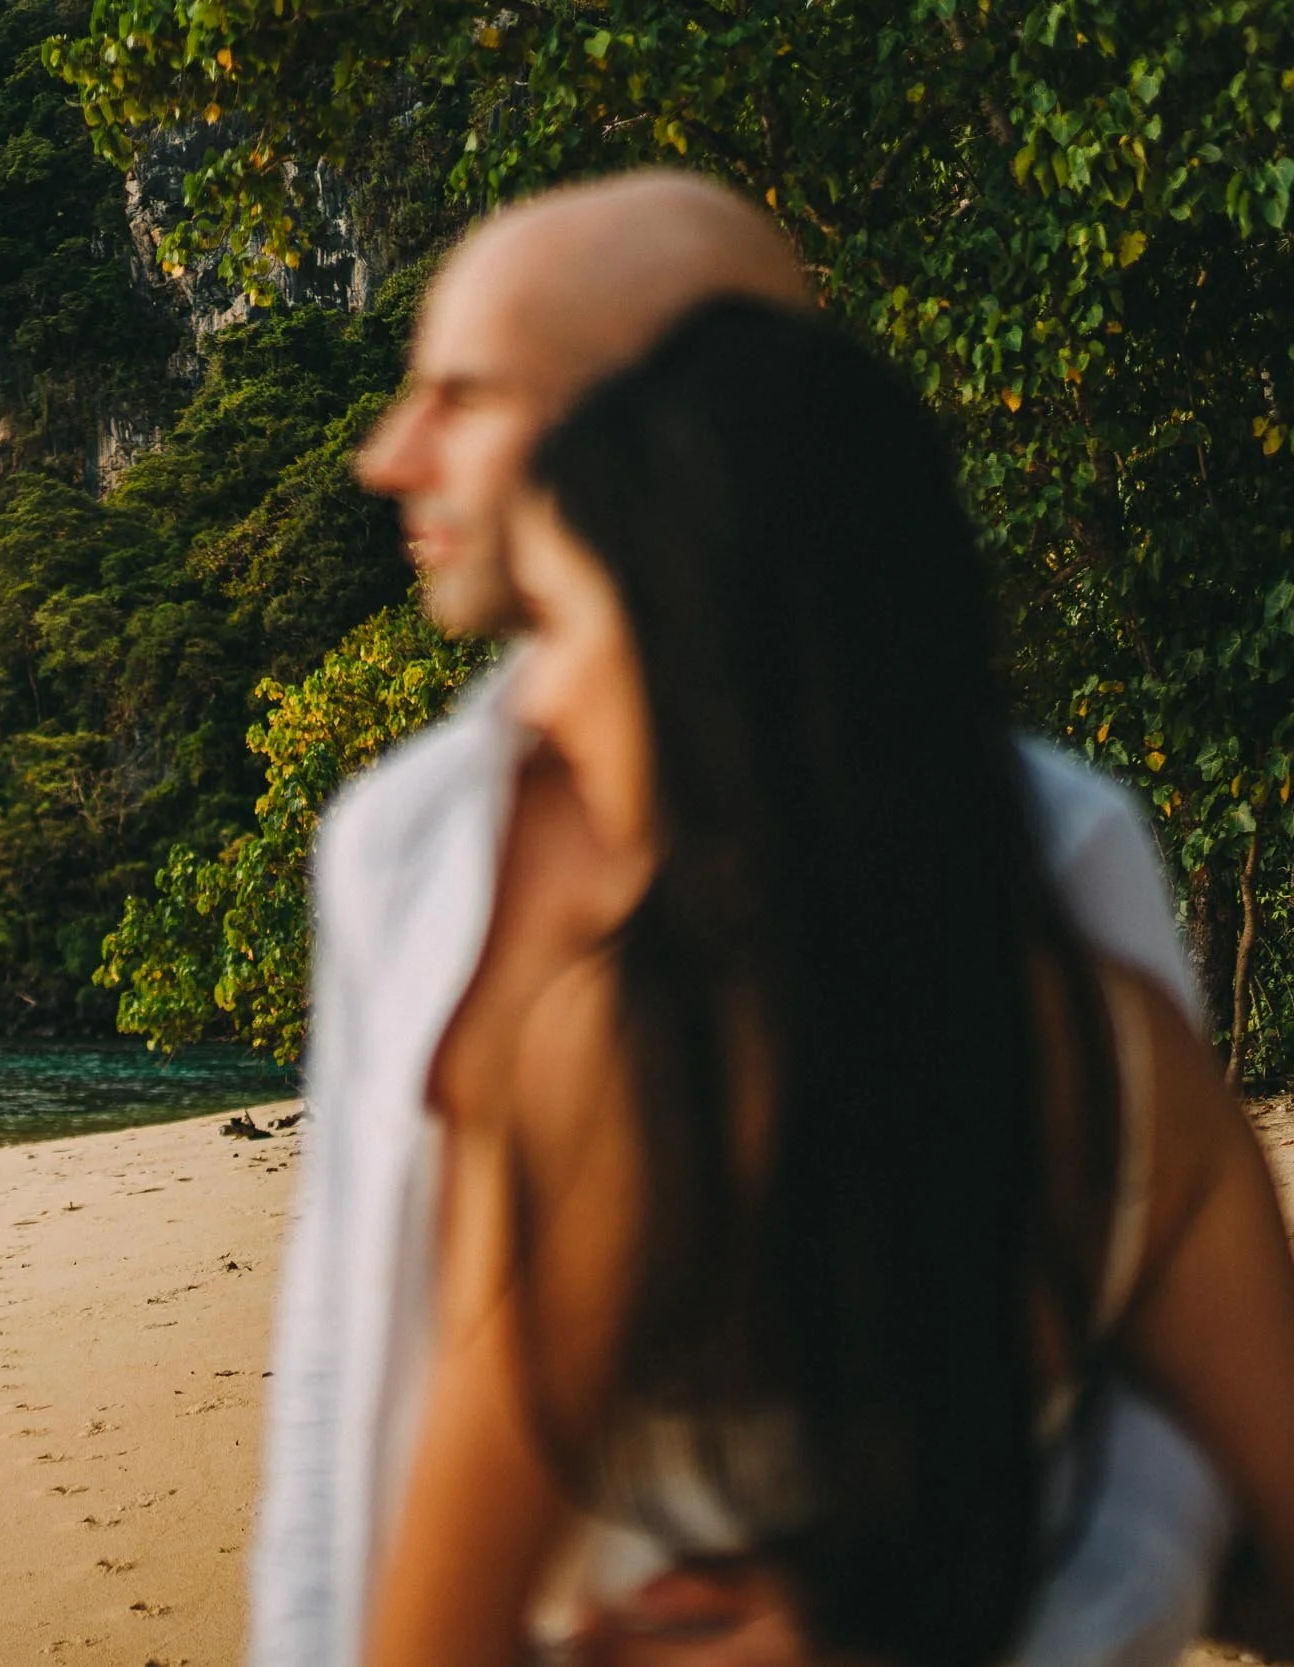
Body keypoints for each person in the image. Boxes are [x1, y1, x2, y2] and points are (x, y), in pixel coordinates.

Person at [246, 171, 1210, 1667]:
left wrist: (903, 1629)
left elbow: (1156, 1416)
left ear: (691, 429)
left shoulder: (1057, 847)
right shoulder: (400, 844)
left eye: (464, 394)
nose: (389, 454)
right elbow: (341, 1369)